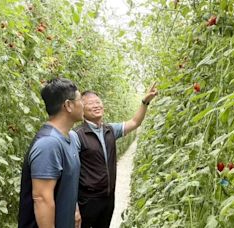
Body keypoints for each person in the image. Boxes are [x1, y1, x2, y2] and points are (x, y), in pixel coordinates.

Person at [73, 83, 158, 228]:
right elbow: (71, 174)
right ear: (82, 108)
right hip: (87, 201)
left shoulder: (110, 130)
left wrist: (145, 102)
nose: (96, 105)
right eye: (90, 103)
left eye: (98, 102)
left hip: (108, 198)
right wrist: (74, 208)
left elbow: (135, 122)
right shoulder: (77, 136)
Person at [18, 78, 84, 228]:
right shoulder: (49, 144)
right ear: (68, 105)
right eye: (80, 100)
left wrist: (74, 209)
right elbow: (42, 198)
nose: (83, 104)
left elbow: (68, 182)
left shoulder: (72, 138)